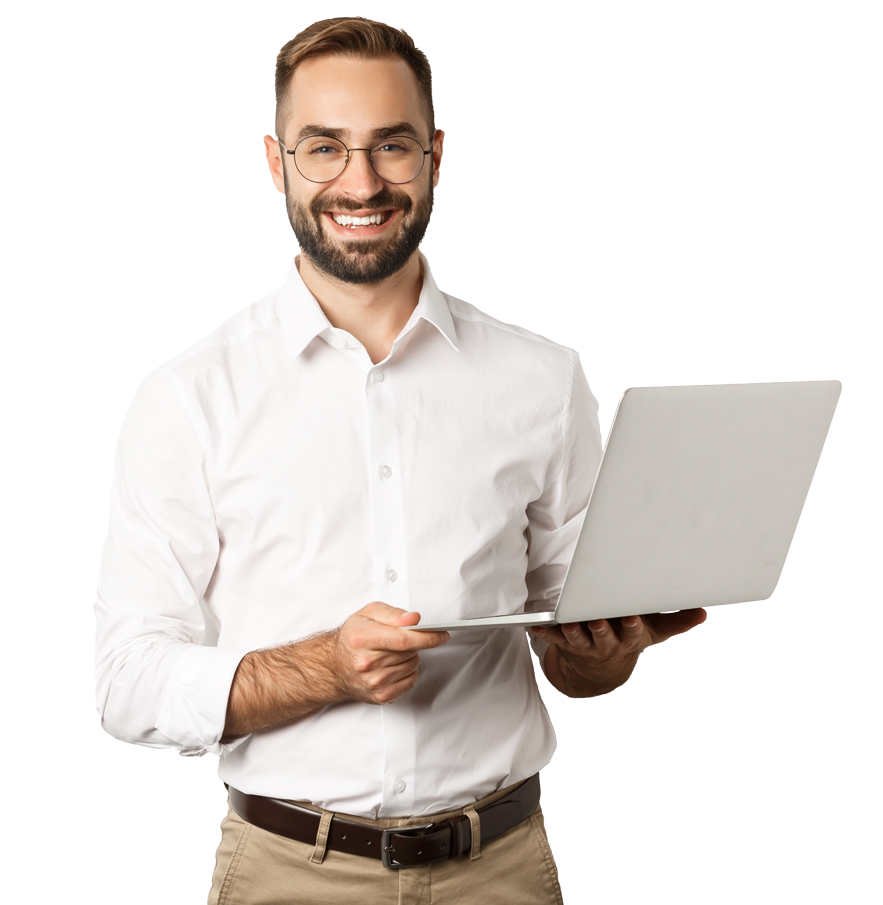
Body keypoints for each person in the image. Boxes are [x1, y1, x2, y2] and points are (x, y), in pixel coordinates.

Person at [93, 16, 706, 904]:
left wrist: (605, 653)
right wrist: (326, 666)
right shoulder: (191, 394)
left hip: (501, 869)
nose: (361, 181)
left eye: (391, 145)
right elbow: (125, 681)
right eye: (323, 148)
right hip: (286, 874)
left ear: (434, 156)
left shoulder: (542, 380)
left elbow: (573, 655)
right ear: (276, 164)